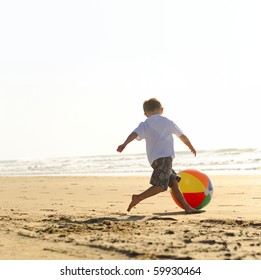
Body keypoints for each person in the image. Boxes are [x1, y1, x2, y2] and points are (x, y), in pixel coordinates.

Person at [117, 98, 200, 214]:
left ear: (146, 114)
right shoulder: (168, 122)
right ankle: (138, 197)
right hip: (165, 159)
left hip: (155, 161)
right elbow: (182, 136)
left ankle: (187, 208)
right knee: (161, 186)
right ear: (162, 110)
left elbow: (134, 134)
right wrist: (190, 146)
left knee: (174, 182)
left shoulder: (145, 124)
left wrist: (124, 144)